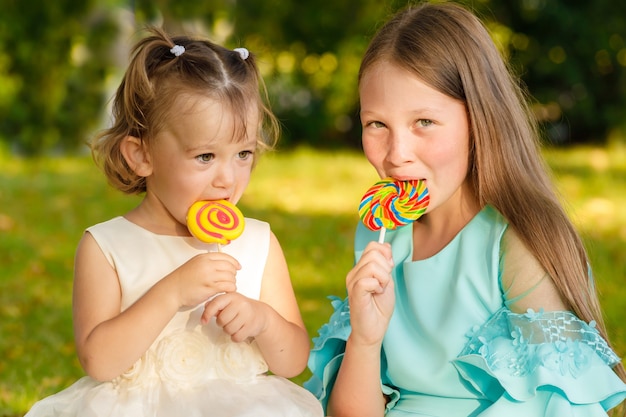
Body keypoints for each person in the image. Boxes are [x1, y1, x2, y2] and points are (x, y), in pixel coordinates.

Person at [305, 2, 626, 416]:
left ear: (479, 119)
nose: (397, 155)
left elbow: (552, 406)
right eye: (377, 125)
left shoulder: (516, 241)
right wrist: (365, 341)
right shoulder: (380, 233)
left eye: (424, 122)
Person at [25, 26, 323, 417]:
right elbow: (99, 361)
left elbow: (293, 361)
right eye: (205, 157)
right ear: (141, 155)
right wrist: (171, 293)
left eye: (243, 154)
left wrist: (264, 321)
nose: (227, 178)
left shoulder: (258, 242)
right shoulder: (107, 246)